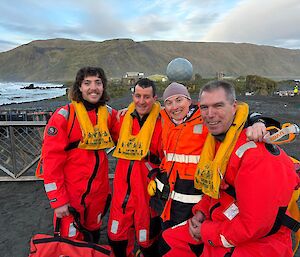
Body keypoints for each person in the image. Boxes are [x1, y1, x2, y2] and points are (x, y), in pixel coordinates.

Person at [160, 80, 298, 257]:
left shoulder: (255, 155)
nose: (210, 114)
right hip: (222, 218)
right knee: (169, 239)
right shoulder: (219, 143)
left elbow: (253, 226)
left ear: (234, 107)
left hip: (257, 243)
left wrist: (206, 231)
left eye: (218, 106)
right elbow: (218, 187)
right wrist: (200, 212)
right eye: (204, 107)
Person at [155, 82, 267, 231]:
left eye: (179, 100)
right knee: (168, 240)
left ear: (189, 100)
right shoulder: (163, 119)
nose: (174, 106)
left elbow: (238, 111)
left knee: (191, 243)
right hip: (168, 199)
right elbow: (145, 110)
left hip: (197, 199)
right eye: (168, 102)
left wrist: (258, 122)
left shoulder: (206, 118)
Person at [42, 67, 119, 243]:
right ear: (79, 87)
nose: (93, 88)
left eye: (98, 83)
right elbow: (51, 163)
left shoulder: (109, 114)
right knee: (71, 243)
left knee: (93, 237)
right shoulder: (64, 116)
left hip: (98, 195)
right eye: (87, 83)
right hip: (71, 196)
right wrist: (58, 201)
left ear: (103, 86)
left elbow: (128, 135)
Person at [107, 78, 163, 257]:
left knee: (147, 241)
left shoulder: (164, 122)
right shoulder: (122, 119)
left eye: (147, 97)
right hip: (121, 192)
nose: (141, 101)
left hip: (147, 193)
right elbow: (97, 120)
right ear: (133, 96)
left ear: (155, 98)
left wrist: (253, 121)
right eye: (138, 96)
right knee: (116, 238)